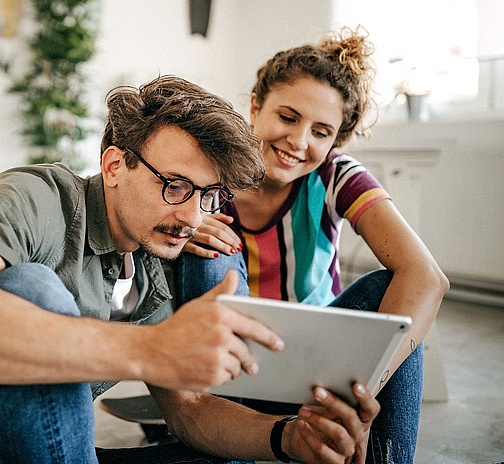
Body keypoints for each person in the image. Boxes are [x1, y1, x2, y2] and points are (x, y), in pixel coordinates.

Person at [0, 75, 381, 464]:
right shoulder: (33, 199)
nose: (191, 215)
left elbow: (188, 415)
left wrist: (288, 439)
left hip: (13, 445)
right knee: (32, 289)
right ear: (115, 165)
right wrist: (152, 349)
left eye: (209, 196)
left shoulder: (156, 262)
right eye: (175, 186)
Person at [178, 28, 450, 463]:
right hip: (232, 378)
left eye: (321, 132)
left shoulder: (336, 176)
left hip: (320, 374)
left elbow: (427, 277)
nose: (299, 142)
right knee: (213, 242)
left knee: (390, 293)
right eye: (287, 118)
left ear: (335, 142)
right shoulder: (210, 174)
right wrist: (184, 226)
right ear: (255, 106)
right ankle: (230, 446)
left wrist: (361, 395)